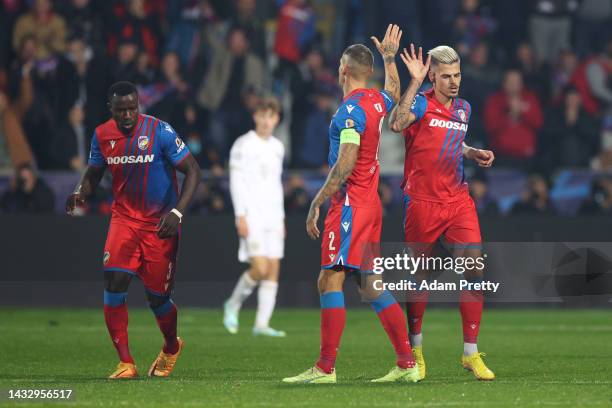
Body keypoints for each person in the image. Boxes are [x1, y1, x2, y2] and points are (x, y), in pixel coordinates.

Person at [283, 25, 421, 384]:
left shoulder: (348, 112)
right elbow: (393, 92)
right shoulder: (375, 100)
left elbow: (345, 162)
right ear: (369, 72)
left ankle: (325, 368)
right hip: (370, 204)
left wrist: (316, 201)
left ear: (342, 71)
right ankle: (407, 364)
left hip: (349, 206)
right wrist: (391, 59)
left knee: (329, 278)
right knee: (371, 284)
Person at [66, 81, 201, 379]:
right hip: (124, 220)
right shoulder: (102, 134)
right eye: (121, 110)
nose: (127, 115)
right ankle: (126, 362)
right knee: (114, 283)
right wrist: (80, 190)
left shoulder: (159, 132)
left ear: (138, 106)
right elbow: (94, 172)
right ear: (111, 109)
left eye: (132, 108)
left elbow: (193, 170)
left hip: (159, 225)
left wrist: (177, 212)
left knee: (158, 299)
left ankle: (171, 346)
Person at [389, 44, 496, 381]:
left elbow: (449, 140)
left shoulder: (463, 108)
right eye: (446, 76)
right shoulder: (420, 102)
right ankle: (416, 352)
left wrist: (471, 151)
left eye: (457, 75)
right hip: (421, 204)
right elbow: (395, 123)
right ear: (431, 76)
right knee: (420, 279)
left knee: (474, 269)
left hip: (458, 201)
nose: (454, 82)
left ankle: (470, 353)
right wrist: (413, 82)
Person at [222, 97, 286, 337]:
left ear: (276, 119)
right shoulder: (243, 145)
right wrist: (241, 215)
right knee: (259, 268)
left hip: (273, 216)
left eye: (272, 116)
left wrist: (280, 219)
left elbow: (276, 185)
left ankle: (261, 324)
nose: (267, 121)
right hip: (252, 215)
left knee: (273, 268)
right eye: (263, 115)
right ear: (256, 116)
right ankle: (233, 304)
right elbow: (236, 182)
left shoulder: (278, 147)